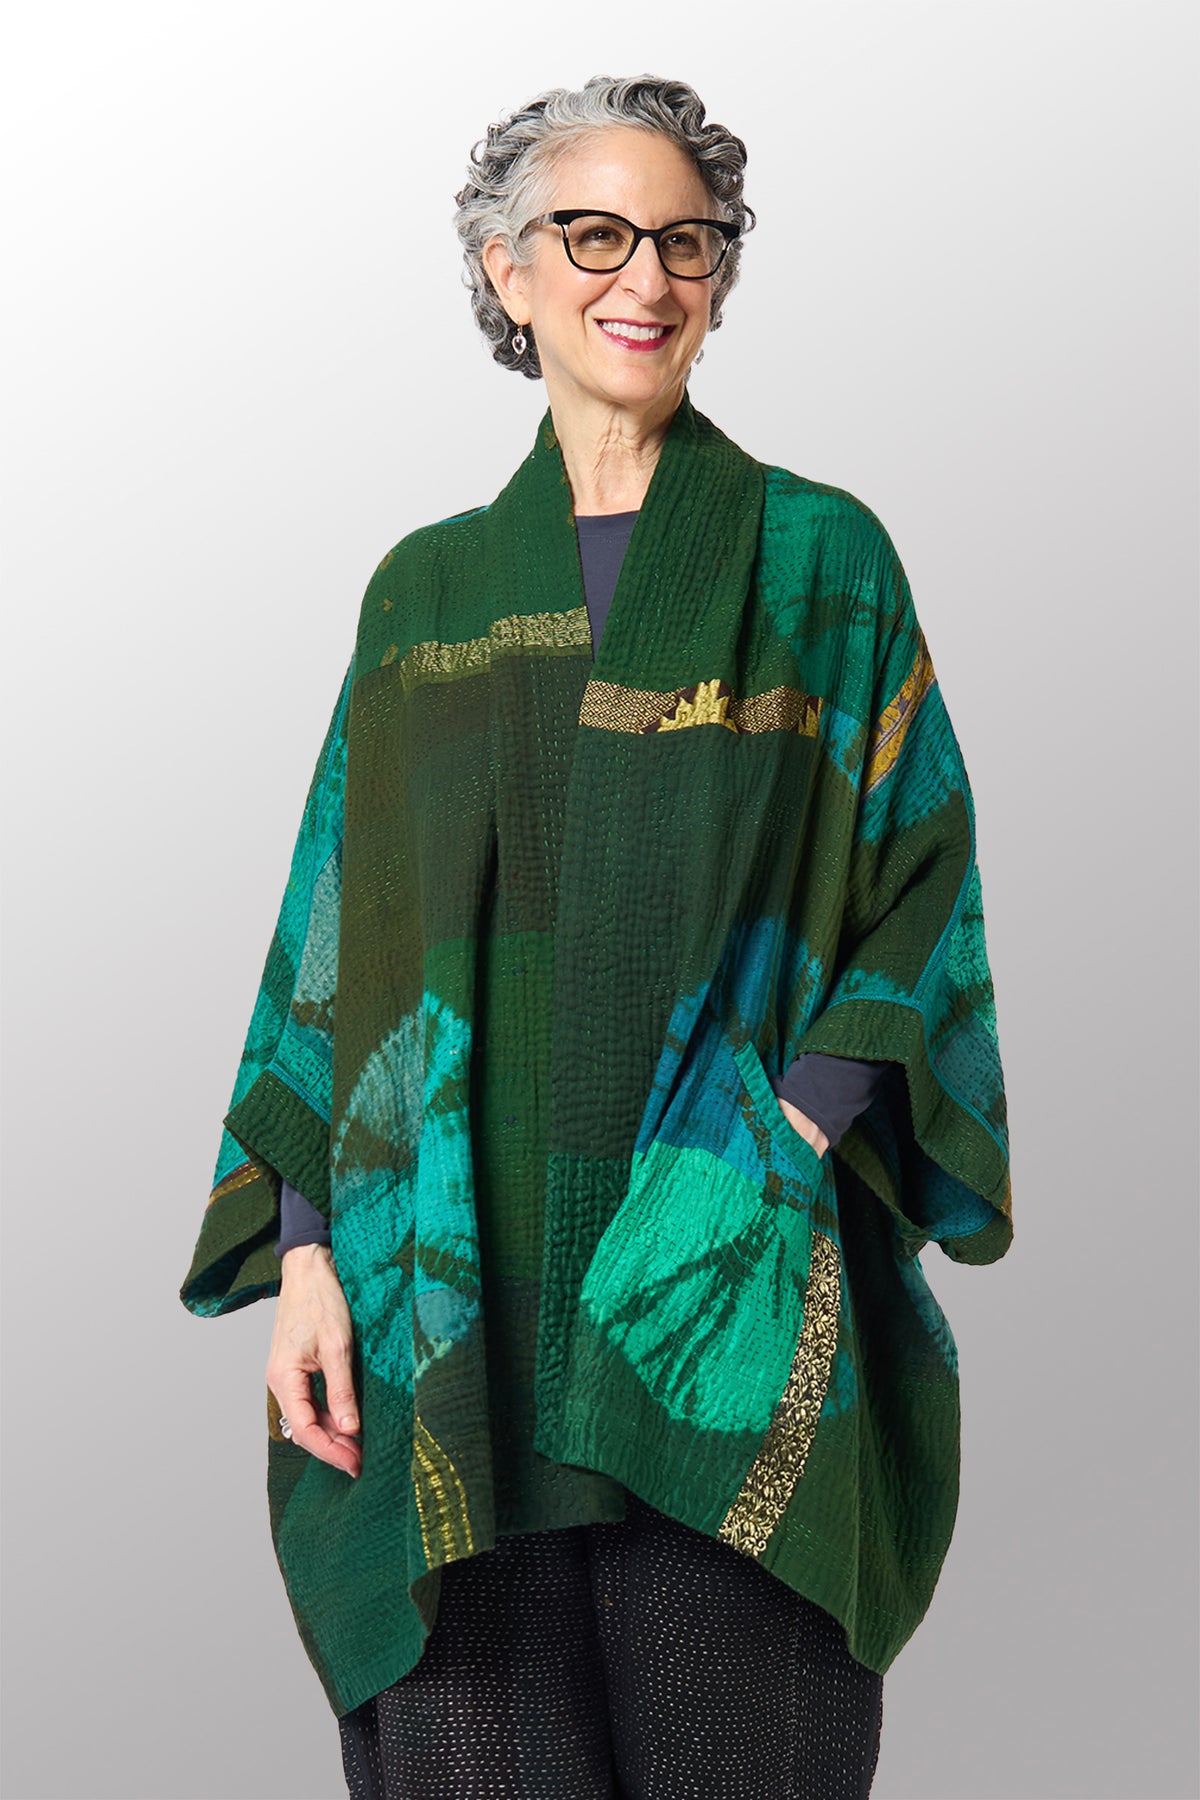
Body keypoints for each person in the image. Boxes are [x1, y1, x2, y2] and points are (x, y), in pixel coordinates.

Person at [180, 73, 1013, 1800]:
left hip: (722, 1289)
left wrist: (782, 1139)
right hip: (447, 1313)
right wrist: (309, 1260)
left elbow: (920, 882)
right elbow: (338, 938)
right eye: (597, 234)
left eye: (688, 242)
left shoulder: (820, 561)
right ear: (509, 271)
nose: (648, 276)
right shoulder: (423, 592)